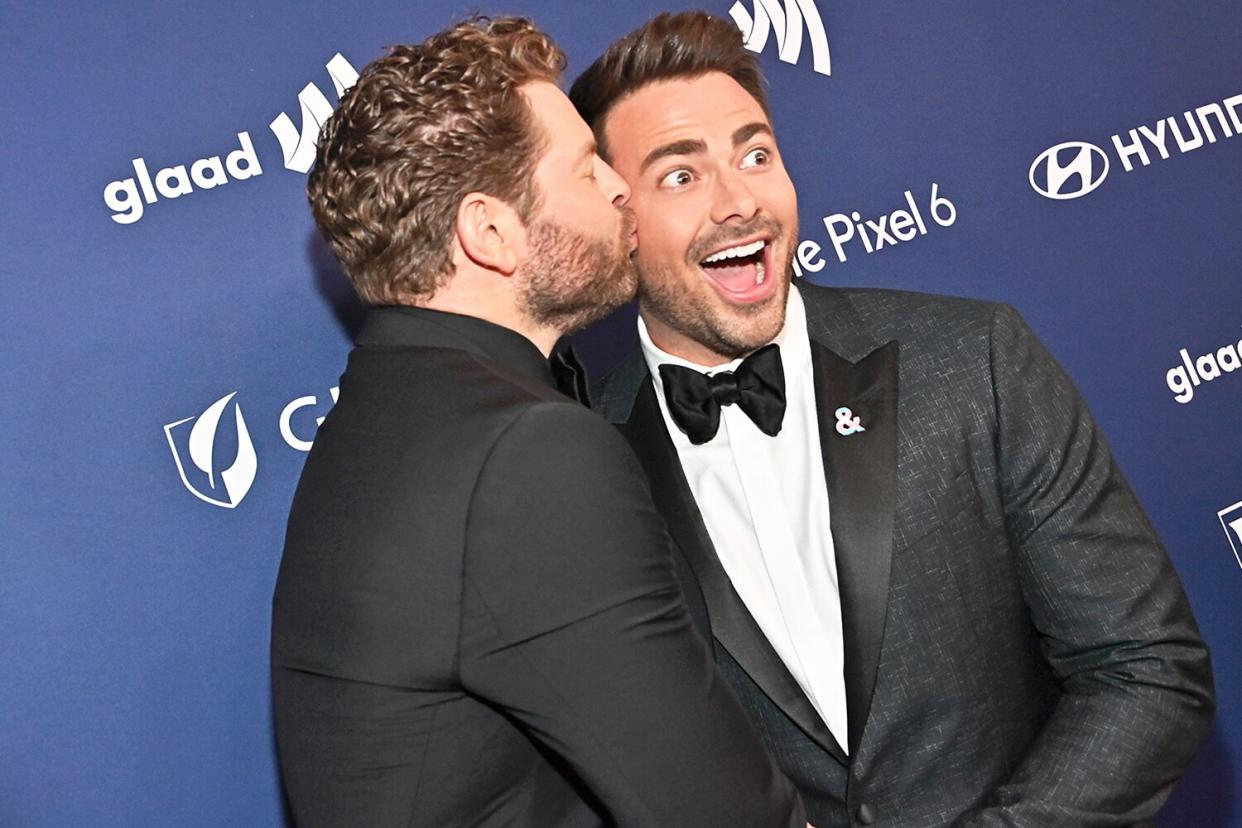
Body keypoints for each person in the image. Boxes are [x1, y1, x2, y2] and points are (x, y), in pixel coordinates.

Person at [570, 11, 1215, 827]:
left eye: (757, 155)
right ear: (612, 221)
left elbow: (1148, 668)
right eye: (681, 176)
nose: (740, 202)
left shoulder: (972, 360)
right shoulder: (582, 465)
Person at [270, 17, 807, 828]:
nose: (619, 186)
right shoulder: (525, 453)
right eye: (585, 168)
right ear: (491, 232)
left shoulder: (385, 417)